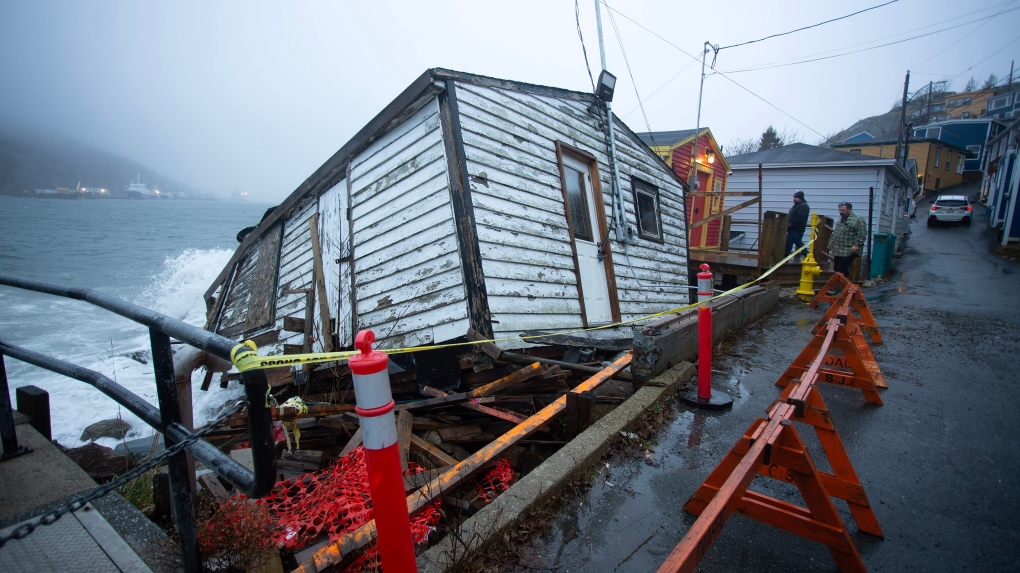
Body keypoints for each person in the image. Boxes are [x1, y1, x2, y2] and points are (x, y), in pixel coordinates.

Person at [829, 201, 867, 276]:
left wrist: (856, 244)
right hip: (838, 249)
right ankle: (842, 285)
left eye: (843, 210)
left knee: (842, 269)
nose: (841, 212)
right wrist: (830, 244)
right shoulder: (840, 219)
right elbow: (835, 233)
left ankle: (846, 286)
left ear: (849, 209)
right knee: (836, 269)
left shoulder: (858, 219)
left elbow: (862, 233)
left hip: (849, 249)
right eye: (839, 210)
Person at [785, 190, 809, 258]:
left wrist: (791, 224)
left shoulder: (804, 206)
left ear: (800, 198)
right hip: (793, 228)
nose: (794, 199)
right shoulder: (797, 205)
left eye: (796, 197)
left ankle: (785, 256)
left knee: (790, 241)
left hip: (797, 228)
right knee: (797, 242)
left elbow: (800, 217)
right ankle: (807, 255)